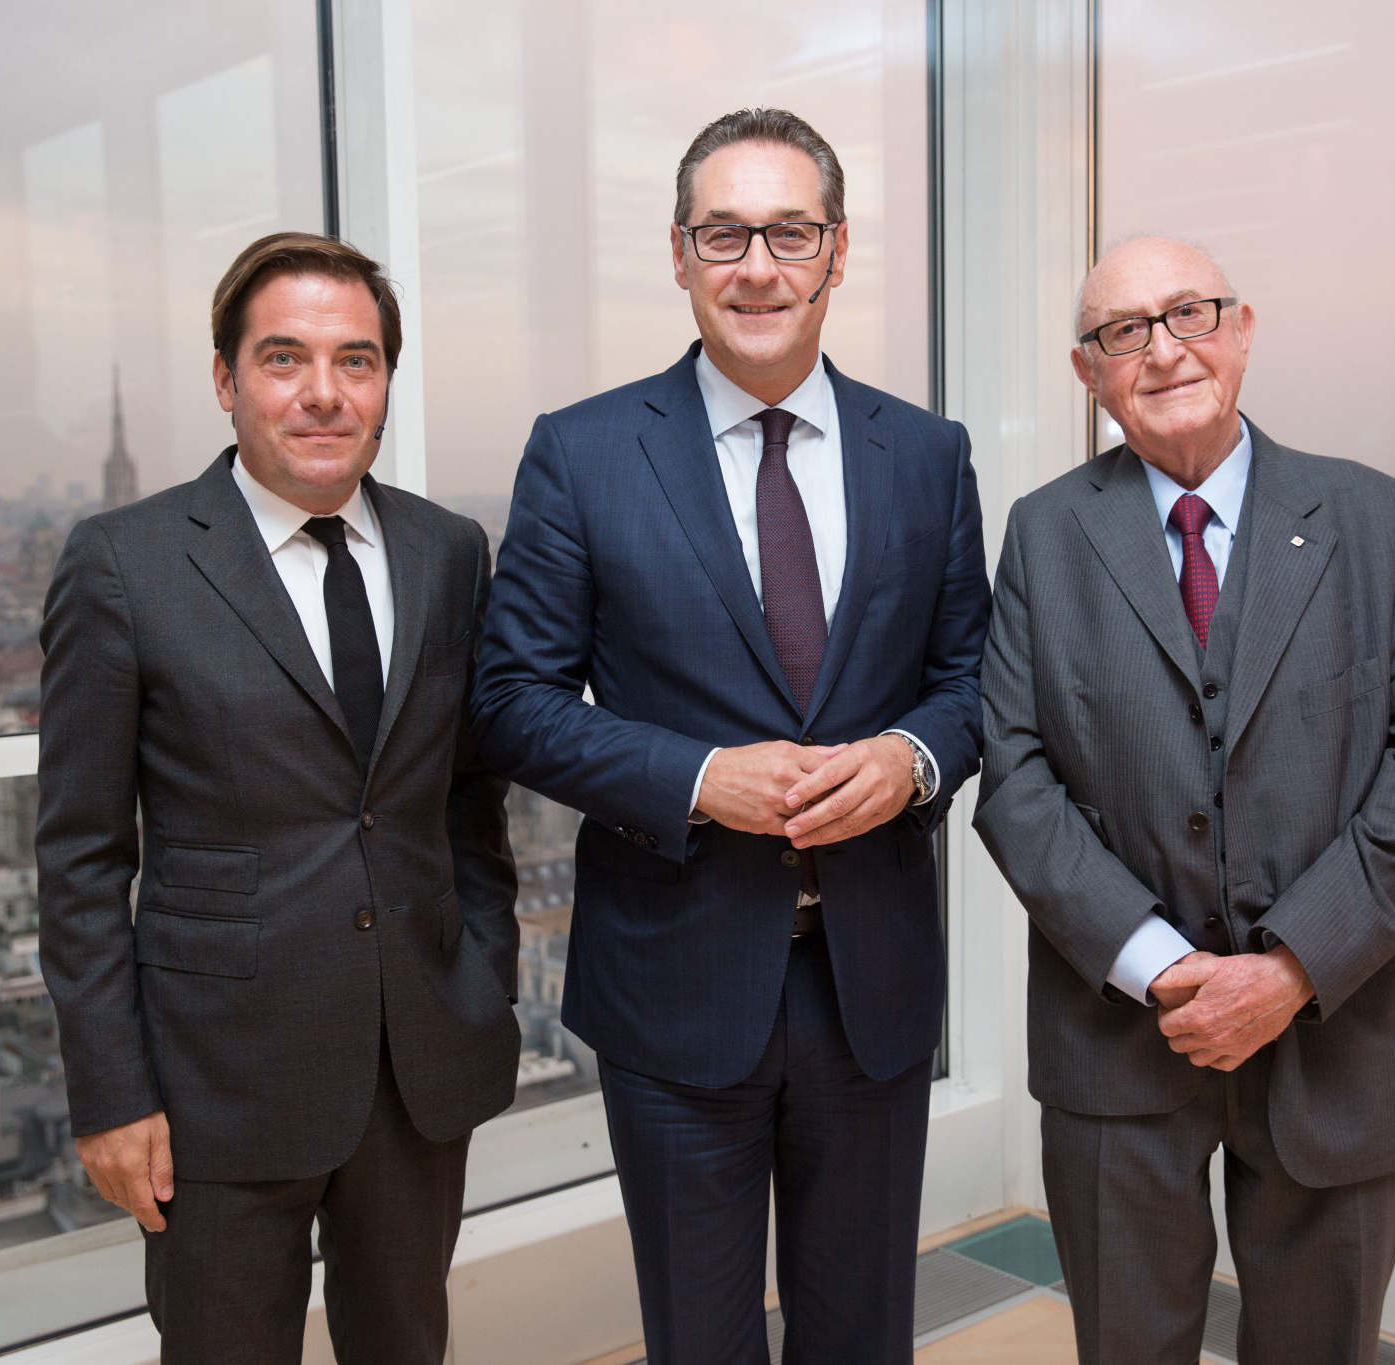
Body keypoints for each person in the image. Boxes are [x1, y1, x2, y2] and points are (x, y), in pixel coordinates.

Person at [472, 108, 989, 1363]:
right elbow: (509, 700)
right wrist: (700, 779)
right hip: (675, 982)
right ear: (678, 253)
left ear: (837, 250)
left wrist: (909, 761)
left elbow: (972, 679)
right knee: (699, 1341)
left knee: (860, 1333)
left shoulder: (924, 455)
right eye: (724, 234)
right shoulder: (583, 453)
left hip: (870, 980)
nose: (757, 265)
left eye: (788, 232)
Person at [974, 234, 1395, 1364]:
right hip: (1116, 1036)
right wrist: (1157, 964)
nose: (1160, 350)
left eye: (1187, 313)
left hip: (1339, 1034)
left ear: (1240, 329)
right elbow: (1013, 779)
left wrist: (1290, 969)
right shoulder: (1044, 535)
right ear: (1085, 371)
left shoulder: (1378, 521)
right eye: (1121, 332)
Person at [36, 231, 520, 1365]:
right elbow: (81, 858)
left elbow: (466, 801)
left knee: (404, 1344)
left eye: (355, 361)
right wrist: (112, 1094)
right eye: (283, 359)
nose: (322, 394)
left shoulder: (449, 551)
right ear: (225, 379)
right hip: (216, 1084)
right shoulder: (125, 563)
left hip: (416, 1068)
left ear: (386, 382)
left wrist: (480, 976)